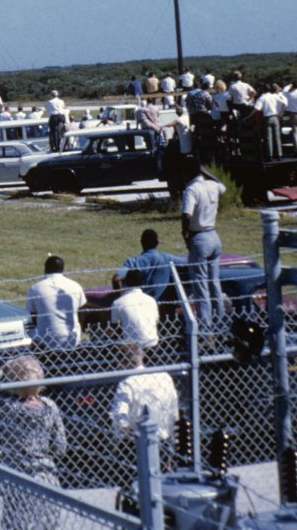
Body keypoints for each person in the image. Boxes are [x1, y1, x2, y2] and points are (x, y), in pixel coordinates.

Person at [0, 354, 67, 527]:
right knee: (48, 520)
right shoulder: (50, 406)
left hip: (16, 469)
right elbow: (60, 446)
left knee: (15, 520)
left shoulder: (9, 408)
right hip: (45, 470)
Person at [181, 157, 227, 326]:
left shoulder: (191, 190)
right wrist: (207, 172)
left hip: (199, 237)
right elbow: (223, 186)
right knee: (214, 282)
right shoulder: (212, 185)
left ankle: (205, 324)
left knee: (200, 285)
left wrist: (185, 233)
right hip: (214, 236)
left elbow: (187, 214)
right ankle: (220, 318)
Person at [110, 348, 179, 444]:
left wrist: (124, 432)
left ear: (118, 363)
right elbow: (174, 409)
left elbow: (120, 418)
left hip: (137, 441)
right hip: (165, 436)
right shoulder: (164, 376)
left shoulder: (126, 384)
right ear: (142, 356)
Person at [26, 255, 85, 356]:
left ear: (45, 268)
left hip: (45, 342)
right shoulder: (75, 286)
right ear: (62, 268)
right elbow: (81, 311)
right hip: (72, 340)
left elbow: (31, 316)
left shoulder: (36, 288)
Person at [118, 229, 183, 303]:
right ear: (157, 243)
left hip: (139, 303)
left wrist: (121, 299)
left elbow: (117, 278)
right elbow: (189, 263)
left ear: (141, 242)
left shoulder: (133, 261)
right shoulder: (167, 258)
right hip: (161, 304)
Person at [110, 269, 160, 351]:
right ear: (143, 283)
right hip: (152, 344)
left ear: (125, 283)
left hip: (130, 348)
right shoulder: (151, 300)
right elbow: (156, 321)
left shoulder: (118, 303)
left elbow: (115, 328)